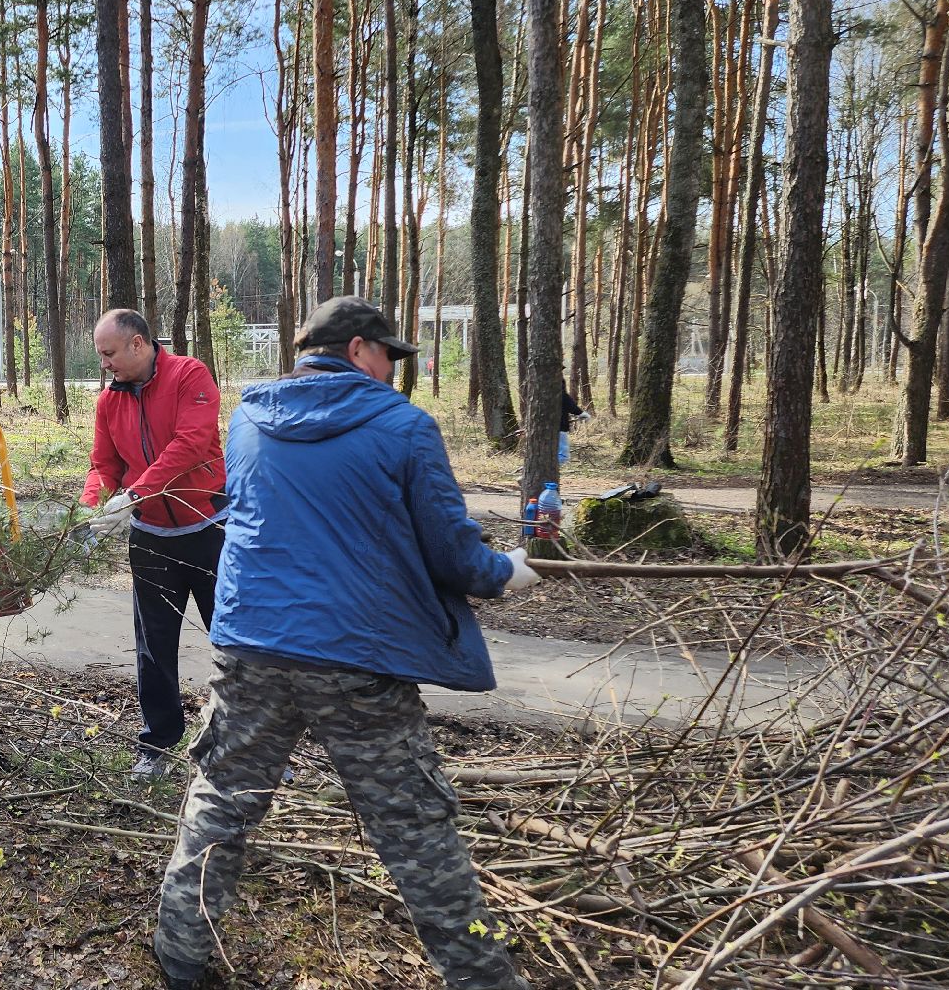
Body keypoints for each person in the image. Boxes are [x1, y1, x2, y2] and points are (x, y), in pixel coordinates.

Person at [153, 296, 542, 990]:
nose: (394, 369)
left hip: (251, 646)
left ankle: (178, 957)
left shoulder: (248, 419)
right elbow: (456, 559)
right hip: (354, 655)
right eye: (390, 354)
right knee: (415, 829)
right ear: (361, 348)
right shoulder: (403, 427)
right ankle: (485, 978)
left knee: (220, 804)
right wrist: (509, 572)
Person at [82, 308, 227, 778]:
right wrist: (91, 506)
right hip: (152, 540)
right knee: (154, 645)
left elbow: (189, 444)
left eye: (109, 353)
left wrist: (134, 494)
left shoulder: (190, 375)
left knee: (234, 643)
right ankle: (158, 745)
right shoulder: (110, 402)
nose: (104, 363)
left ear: (139, 344)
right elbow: (103, 464)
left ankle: (247, 747)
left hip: (210, 530)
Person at [559, 385, 589, 464]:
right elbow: (572, 406)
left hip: (543, 431)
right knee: (562, 456)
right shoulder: (561, 394)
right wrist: (581, 413)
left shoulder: (539, 393)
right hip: (560, 428)